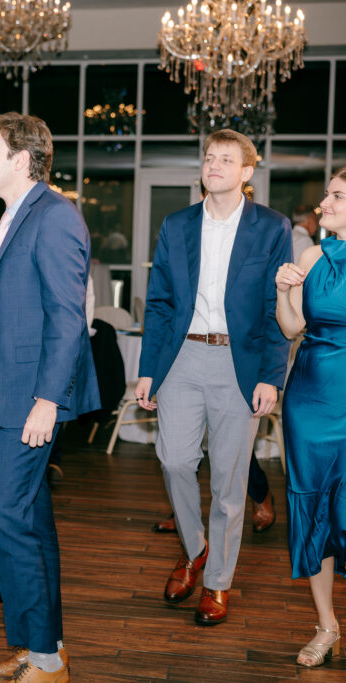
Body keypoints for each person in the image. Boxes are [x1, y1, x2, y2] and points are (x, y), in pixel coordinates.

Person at [0, 112, 99, 681]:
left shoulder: (55, 216)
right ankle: (44, 647)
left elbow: (67, 318)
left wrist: (48, 400)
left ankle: (44, 661)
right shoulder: (12, 216)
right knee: (31, 525)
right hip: (0, 398)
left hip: (30, 400)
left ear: (21, 159)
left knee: (3, 521)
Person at [134, 129, 291, 628]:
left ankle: (218, 581)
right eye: (209, 157)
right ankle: (195, 548)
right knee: (174, 460)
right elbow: (159, 302)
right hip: (181, 357)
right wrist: (148, 369)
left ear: (247, 172)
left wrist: (271, 376)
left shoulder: (272, 227)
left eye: (226, 159)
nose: (214, 165)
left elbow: (276, 307)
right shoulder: (177, 224)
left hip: (239, 364)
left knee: (228, 480)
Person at [276, 167, 346, 668]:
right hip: (311, 397)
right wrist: (283, 291)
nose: (324, 203)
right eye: (326, 194)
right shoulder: (311, 257)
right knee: (315, 507)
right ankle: (326, 626)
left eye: (337, 196)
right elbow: (291, 328)